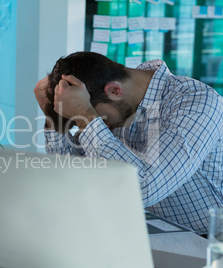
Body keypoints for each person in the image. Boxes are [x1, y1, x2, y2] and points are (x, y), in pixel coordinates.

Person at [34, 51, 223, 235]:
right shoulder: (122, 104)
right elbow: (77, 179)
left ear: (115, 91)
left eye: (100, 118)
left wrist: (87, 117)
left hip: (211, 242)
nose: (103, 127)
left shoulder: (196, 102)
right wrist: (55, 119)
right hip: (150, 234)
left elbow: (141, 189)